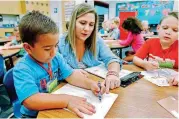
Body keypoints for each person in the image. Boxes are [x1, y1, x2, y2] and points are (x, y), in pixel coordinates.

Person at [13, 11, 106, 118]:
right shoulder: (23, 69)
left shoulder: (56, 57)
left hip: (55, 106)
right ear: (28, 48)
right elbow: (31, 100)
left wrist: (90, 84)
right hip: (34, 115)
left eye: (56, 46)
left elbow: (71, 76)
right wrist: (67, 100)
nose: (53, 52)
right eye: (47, 48)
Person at [58, 3, 122, 93]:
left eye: (91, 24)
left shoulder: (97, 40)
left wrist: (113, 74)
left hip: (96, 88)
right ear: (73, 22)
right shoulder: (59, 42)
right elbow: (54, 71)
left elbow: (112, 59)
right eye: (82, 23)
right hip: (68, 91)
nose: (87, 29)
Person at [133, 12, 178, 85]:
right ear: (158, 28)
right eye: (165, 28)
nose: (168, 32)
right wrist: (144, 64)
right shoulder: (150, 42)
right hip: (151, 83)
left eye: (175, 30)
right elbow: (136, 58)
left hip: (172, 86)